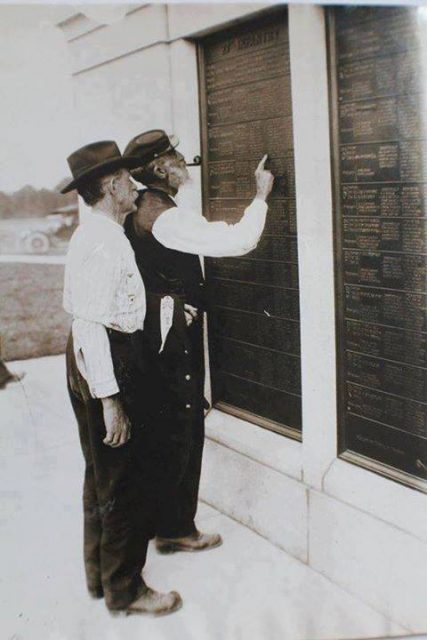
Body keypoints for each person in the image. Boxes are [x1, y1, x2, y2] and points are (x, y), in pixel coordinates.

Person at [123, 129, 274, 554]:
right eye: (174, 155)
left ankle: (164, 522)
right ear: (159, 168)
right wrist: (259, 197)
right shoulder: (164, 217)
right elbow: (236, 240)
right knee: (183, 425)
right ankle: (177, 529)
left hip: (155, 333)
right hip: (174, 339)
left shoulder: (141, 207)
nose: (183, 160)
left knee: (165, 423)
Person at [62, 140, 182, 616]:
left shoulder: (92, 233)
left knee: (100, 471)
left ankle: (101, 577)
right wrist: (110, 399)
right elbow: (93, 321)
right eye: (129, 180)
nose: (135, 186)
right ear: (112, 187)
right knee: (124, 477)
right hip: (106, 359)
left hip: (92, 356)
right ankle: (126, 590)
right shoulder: (105, 240)